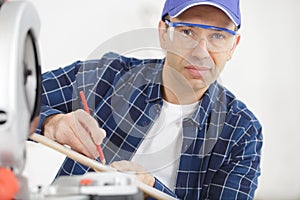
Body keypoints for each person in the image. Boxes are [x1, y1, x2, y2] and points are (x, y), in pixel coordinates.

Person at [37, 0, 263, 199]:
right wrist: (52, 124)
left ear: (233, 46)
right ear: (164, 33)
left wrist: (151, 190)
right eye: (187, 32)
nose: (200, 52)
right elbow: (12, 94)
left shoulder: (240, 131)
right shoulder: (107, 75)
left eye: (217, 36)